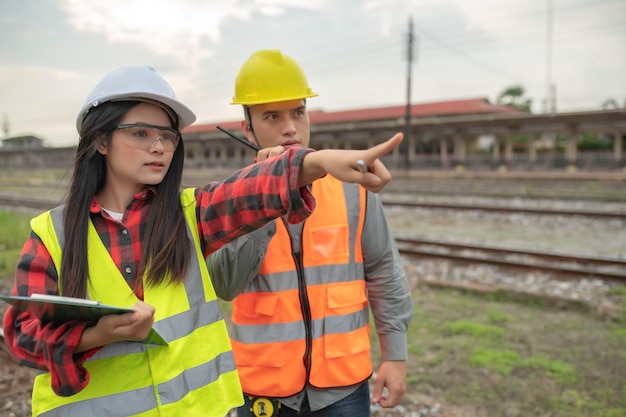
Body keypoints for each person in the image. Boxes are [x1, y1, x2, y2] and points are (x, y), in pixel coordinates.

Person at [1, 65, 403, 417]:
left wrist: (319, 162)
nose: (159, 147)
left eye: (167, 136)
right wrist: (99, 335)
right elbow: (21, 335)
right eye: (140, 133)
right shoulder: (53, 233)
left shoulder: (189, 215)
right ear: (100, 140)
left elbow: (250, 191)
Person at [207, 49, 413, 417]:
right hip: (263, 391)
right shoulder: (230, 197)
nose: (289, 127)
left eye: (298, 112)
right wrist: (264, 192)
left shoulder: (353, 188)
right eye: (272, 116)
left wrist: (394, 355)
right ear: (247, 128)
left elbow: (384, 272)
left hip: (343, 387)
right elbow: (225, 283)